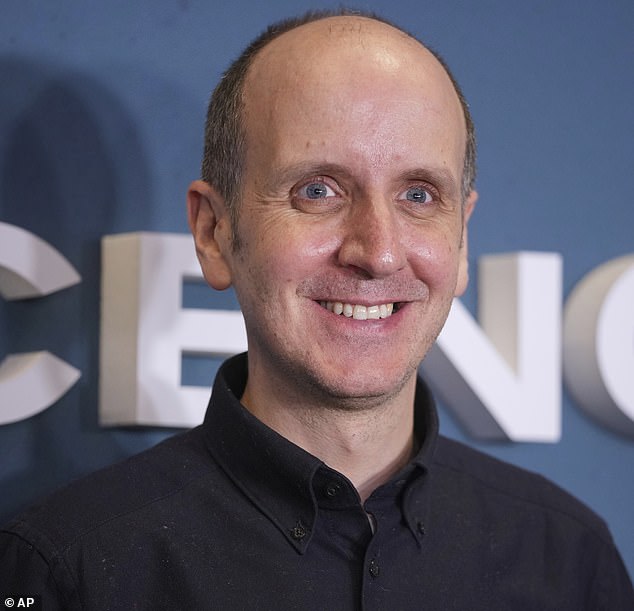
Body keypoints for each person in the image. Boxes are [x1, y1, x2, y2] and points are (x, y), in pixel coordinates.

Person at [1, 9, 632, 610]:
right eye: (318, 190)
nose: (378, 253)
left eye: (418, 195)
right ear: (214, 232)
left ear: (462, 238)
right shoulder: (62, 570)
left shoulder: (570, 560)